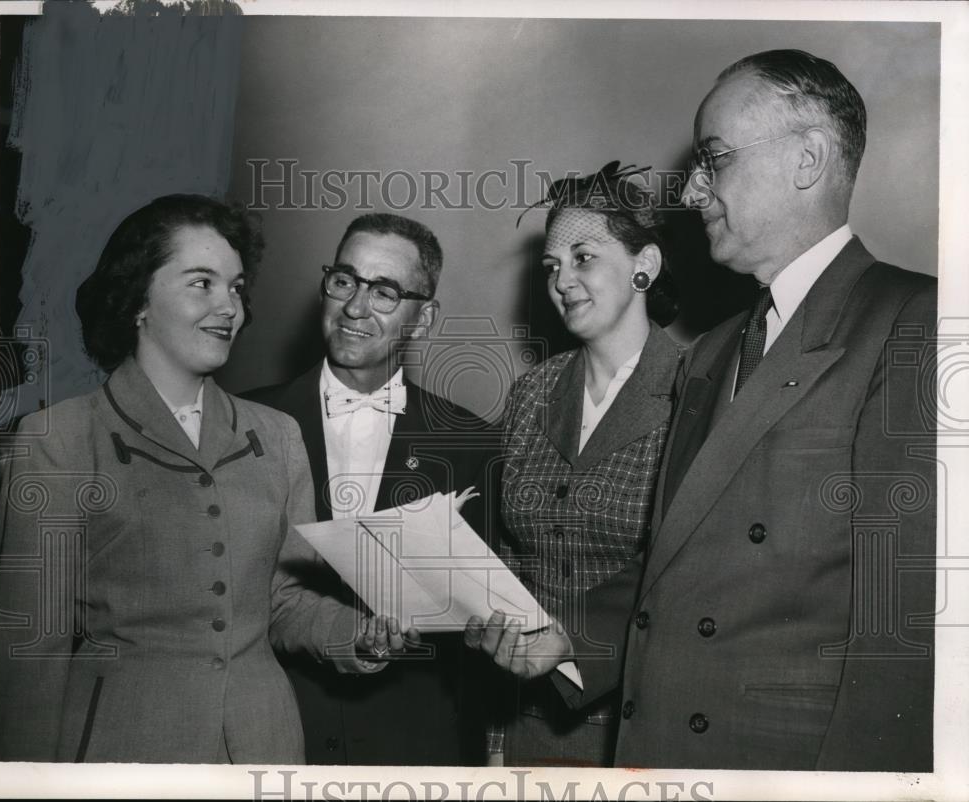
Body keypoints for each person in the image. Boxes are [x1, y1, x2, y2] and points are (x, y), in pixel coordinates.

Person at [466, 49, 936, 772]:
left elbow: (905, 624)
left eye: (714, 160)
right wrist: (573, 634)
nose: (691, 189)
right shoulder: (715, 352)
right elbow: (676, 561)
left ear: (806, 159)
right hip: (658, 747)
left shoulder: (914, 321)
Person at [0, 194, 411, 764]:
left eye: (236, 288)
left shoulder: (277, 434)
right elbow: (32, 652)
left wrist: (357, 634)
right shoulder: (58, 438)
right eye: (202, 283)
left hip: (264, 744)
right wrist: (26, 781)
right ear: (139, 297)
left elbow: (282, 600)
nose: (229, 307)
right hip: (125, 752)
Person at [244, 212, 496, 766]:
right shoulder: (244, 423)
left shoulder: (475, 445)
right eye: (344, 281)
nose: (355, 308)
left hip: (415, 751)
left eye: (384, 292)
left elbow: (490, 620)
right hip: (274, 737)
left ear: (423, 318)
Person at [485, 163, 681, 767]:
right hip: (521, 715)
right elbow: (503, 552)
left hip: (638, 723)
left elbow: (683, 574)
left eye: (584, 258)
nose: (562, 280)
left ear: (643, 264)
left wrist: (572, 639)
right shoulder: (530, 392)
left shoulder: (697, 393)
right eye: (551, 266)